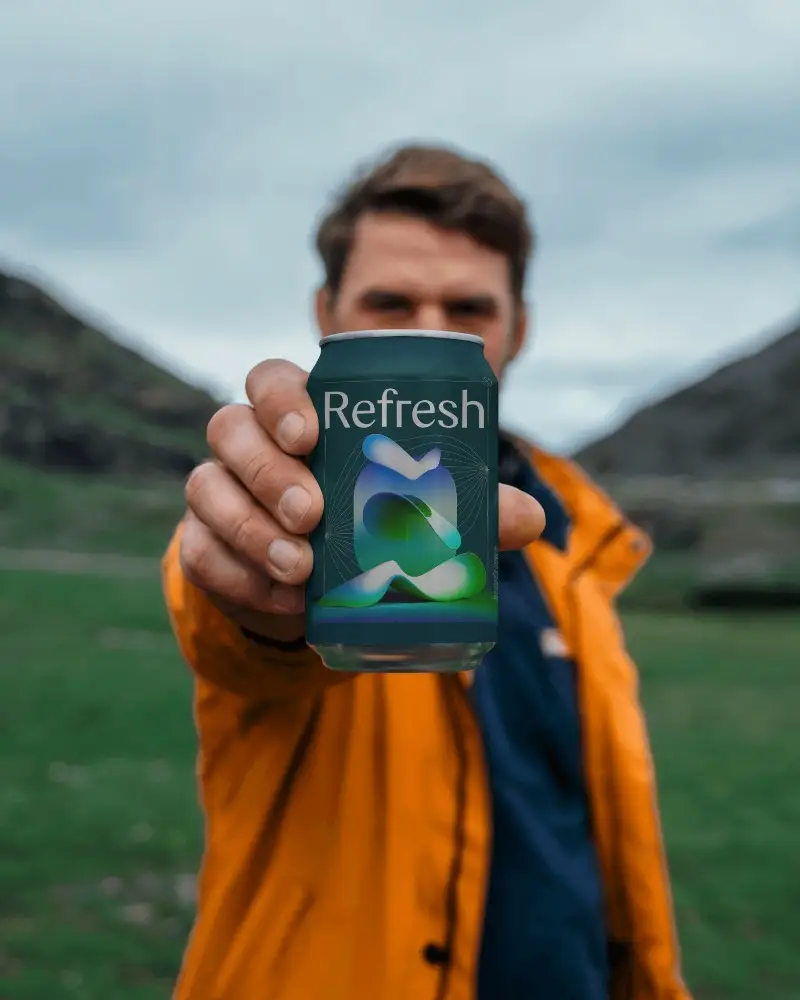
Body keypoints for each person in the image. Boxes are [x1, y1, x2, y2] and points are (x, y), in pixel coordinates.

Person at [163, 144, 692, 1000]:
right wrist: (265, 600)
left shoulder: (576, 541)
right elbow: (237, 631)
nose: (431, 331)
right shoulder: (288, 503)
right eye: (390, 302)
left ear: (519, 327)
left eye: (469, 307)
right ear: (324, 313)